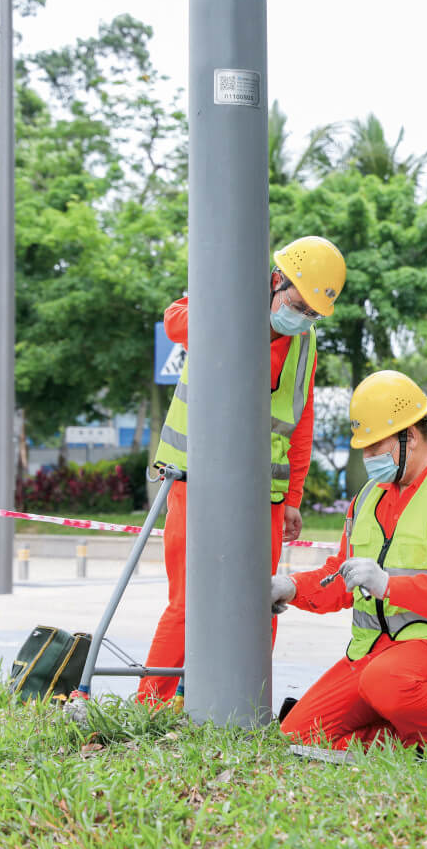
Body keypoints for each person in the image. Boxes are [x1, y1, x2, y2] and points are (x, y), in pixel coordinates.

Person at [139, 236, 346, 705]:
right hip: (197, 482)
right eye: (299, 305)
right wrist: (231, 312)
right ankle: (150, 706)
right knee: (189, 603)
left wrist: (293, 498)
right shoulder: (226, 295)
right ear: (276, 281)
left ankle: (245, 706)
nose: (302, 319)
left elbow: (301, 418)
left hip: (265, 497)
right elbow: (174, 321)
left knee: (260, 601)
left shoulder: (304, 342)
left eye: (313, 313)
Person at [271, 370, 427, 749]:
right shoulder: (367, 498)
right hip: (371, 653)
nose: (368, 457)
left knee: (386, 681)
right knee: (298, 735)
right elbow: (339, 579)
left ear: (409, 436)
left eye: (375, 447)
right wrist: (292, 587)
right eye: (363, 448)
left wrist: (390, 586)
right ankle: (408, 740)